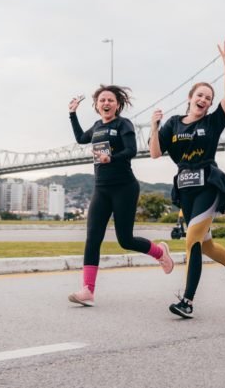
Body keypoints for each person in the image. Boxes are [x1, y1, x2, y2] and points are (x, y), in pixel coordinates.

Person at [149, 41, 225, 319]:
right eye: (200, 95)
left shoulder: (213, 122)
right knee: (205, 245)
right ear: (190, 97)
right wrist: (155, 126)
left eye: (208, 98)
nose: (204, 100)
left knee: (191, 240)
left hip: (209, 185)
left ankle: (187, 301)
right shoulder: (173, 124)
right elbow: (155, 152)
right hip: (185, 187)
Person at [68, 85, 173, 307]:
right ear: (96, 105)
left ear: (118, 104)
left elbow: (131, 150)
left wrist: (111, 158)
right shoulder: (96, 126)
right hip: (101, 188)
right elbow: (80, 138)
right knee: (92, 238)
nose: (106, 103)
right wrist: (72, 113)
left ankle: (159, 252)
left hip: (124, 187)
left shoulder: (123, 124)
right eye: (102, 100)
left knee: (125, 240)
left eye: (110, 100)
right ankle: (88, 290)